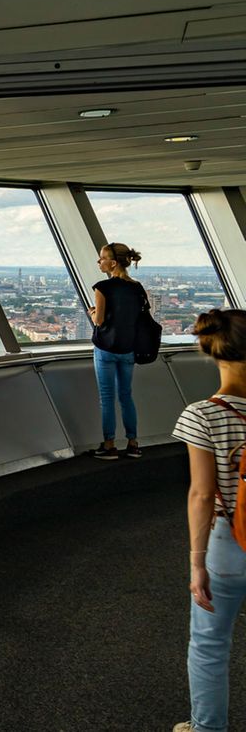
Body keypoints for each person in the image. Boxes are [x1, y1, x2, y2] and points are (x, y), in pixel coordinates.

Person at [173, 310, 246, 732]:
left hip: (230, 544)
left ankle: (208, 728)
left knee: (210, 644)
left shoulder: (202, 415)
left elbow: (202, 495)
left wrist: (197, 562)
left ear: (210, 352)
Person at [88, 242, 146, 460]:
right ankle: (133, 443)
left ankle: (110, 445)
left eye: (102, 258)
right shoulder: (137, 288)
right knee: (126, 396)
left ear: (112, 263)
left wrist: (92, 312)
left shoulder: (103, 287)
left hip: (105, 349)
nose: (99, 262)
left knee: (107, 397)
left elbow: (99, 321)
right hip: (128, 349)